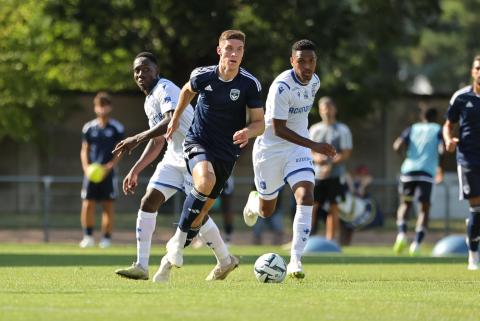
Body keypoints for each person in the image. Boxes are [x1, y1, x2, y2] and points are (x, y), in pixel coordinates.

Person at [113, 52, 236, 282]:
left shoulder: (165, 88)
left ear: (157, 71)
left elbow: (171, 120)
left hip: (195, 154)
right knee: (148, 201)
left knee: (196, 216)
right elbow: (159, 138)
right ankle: (141, 265)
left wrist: (136, 138)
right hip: (173, 156)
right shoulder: (149, 100)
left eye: (146, 69)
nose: (141, 74)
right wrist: (136, 169)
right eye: (136, 70)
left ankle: (225, 259)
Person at [158, 30, 265, 278]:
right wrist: (175, 119)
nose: (234, 54)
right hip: (198, 141)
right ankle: (176, 247)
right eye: (229, 48)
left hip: (226, 153)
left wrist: (248, 132)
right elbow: (186, 91)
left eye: (239, 49)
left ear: (243, 53)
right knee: (205, 181)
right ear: (219, 50)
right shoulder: (203, 75)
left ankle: (170, 262)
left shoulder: (250, 84)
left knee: (199, 216)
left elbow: (260, 123)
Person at [242, 39, 336, 279]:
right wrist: (315, 145)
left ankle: (296, 260)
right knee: (266, 211)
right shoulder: (281, 87)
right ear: (292, 61)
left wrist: (309, 146)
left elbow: (297, 124)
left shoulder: (315, 82)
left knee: (306, 196)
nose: (307, 66)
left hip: (298, 150)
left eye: (311, 61)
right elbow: (279, 129)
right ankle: (255, 201)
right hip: (270, 150)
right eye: (301, 61)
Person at [443, 55, 480, 270]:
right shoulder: (461, 97)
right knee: (476, 208)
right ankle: (473, 256)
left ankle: (473, 230)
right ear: (472, 71)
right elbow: (448, 125)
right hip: (468, 159)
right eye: (478, 68)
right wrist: (449, 140)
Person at [392, 107, 444, 256]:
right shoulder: (437, 129)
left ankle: (401, 234)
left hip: (408, 170)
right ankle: (417, 244)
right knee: (424, 208)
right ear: (435, 117)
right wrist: (441, 167)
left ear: (422, 117)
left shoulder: (412, 128)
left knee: (405, 204)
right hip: (426, 172)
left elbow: (396, 146)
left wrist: (406, 158)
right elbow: (442, 150)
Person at [79, 92, 124, 248]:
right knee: (87, 204)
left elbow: (120, 150)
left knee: (108, 205)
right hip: (91, 173)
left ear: (109, 107)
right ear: (95, 108)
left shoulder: (117, 127)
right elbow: (84, 149)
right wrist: (86, 168)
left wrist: (110, 166)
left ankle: (106, 238)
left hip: (108, 173)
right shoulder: (89, 128)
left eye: (105, 105)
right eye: (99, 105)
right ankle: (88, 236)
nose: (102, 108)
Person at [309, 97, 352, 241]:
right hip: (317, 175)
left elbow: (346, 152)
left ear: (335, 109)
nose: (326, 111)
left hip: (335, 175)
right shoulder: (315, 129)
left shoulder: (342, 130)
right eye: (323, 108)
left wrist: (330, 164)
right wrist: (316, 158)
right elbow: (308, 150)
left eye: (329, 107)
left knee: (333, 207)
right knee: (311, 206)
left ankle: (330, 240)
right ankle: (307, 237)